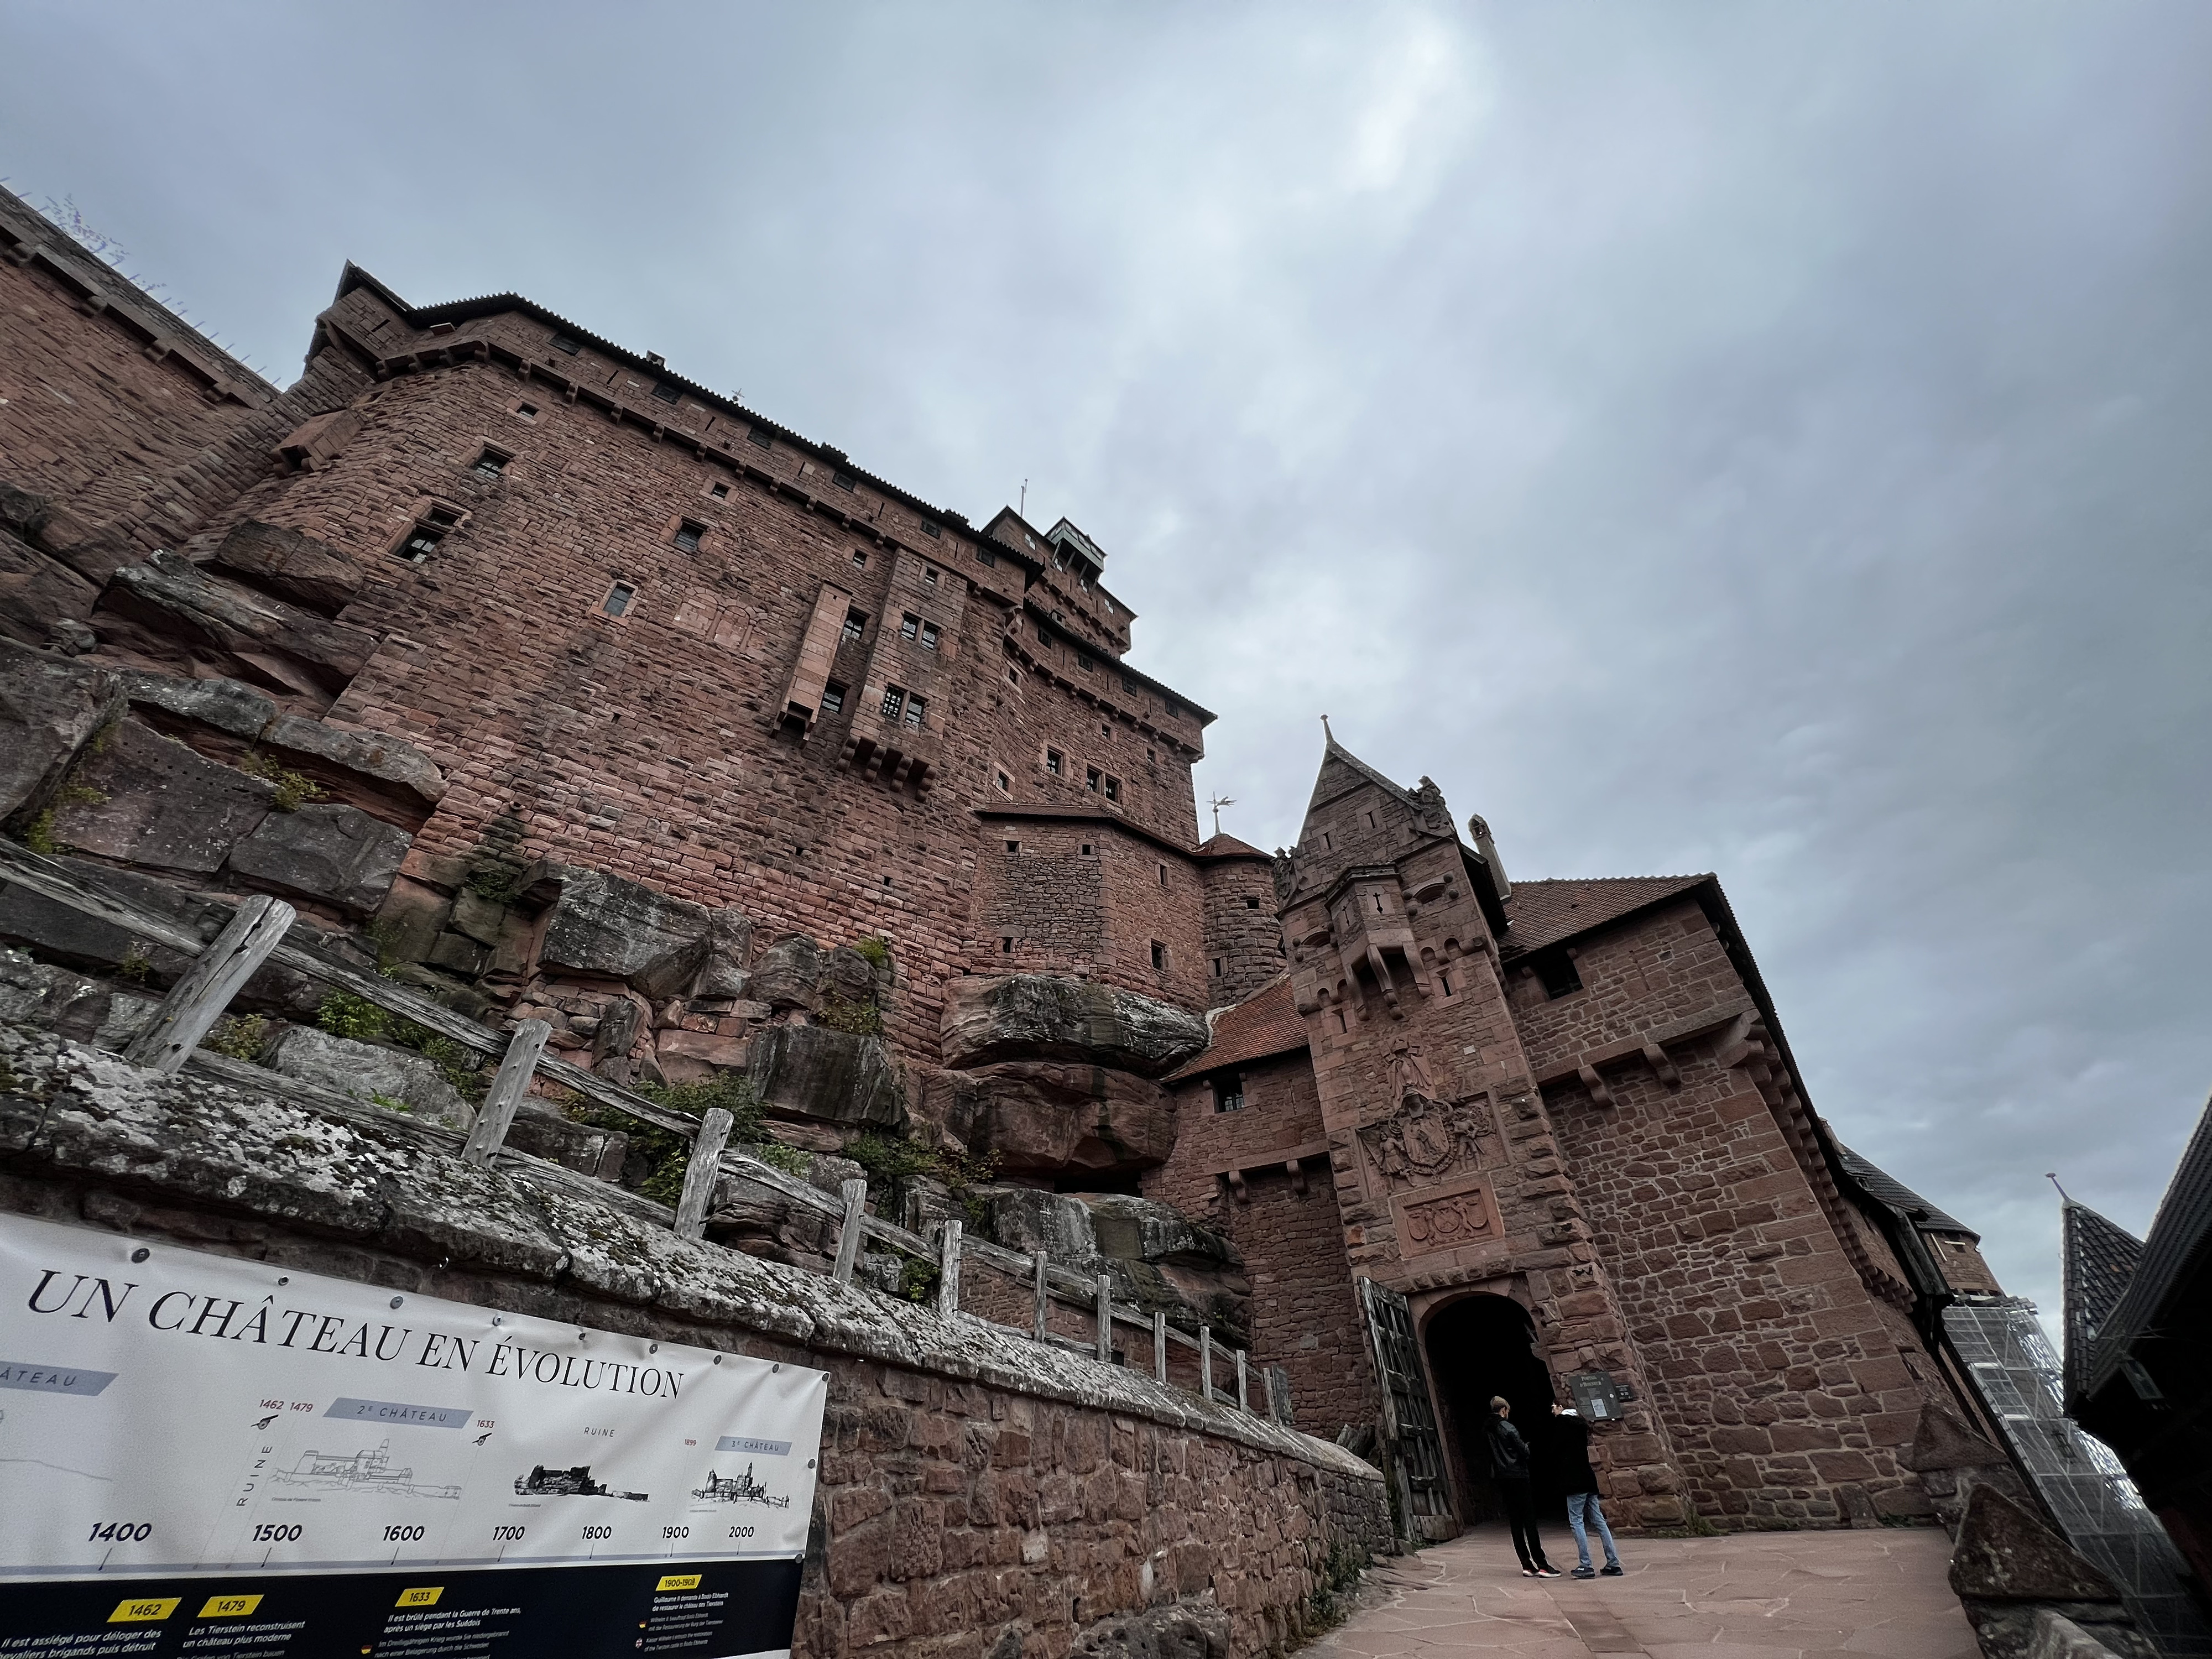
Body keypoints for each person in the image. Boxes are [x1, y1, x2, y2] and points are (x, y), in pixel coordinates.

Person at [1485, 1396, 1559, 1577]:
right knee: (1529, 1521)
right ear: (1504, 1410)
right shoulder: (1507, 1427)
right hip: (1518, 1475)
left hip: (1503, 1478)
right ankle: (1542, 1564)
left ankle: (1526, 1564)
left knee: (1515, 1523)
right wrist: (1528, 1447)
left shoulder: (1487, 1429)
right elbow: (1523, 1452)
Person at [1550, 1401, 1624, 1579]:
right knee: (1599, 1521)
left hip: (1573, 1480)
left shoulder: (1562, 1424)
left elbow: (1555, 1450)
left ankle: (1586, 1565)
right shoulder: (1580, 1424)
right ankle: (1613, 1563)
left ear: (1560, 1407)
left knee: (1576, 1521)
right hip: (1588, 1477)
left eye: (1553, 1407)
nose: (1552, 1410)